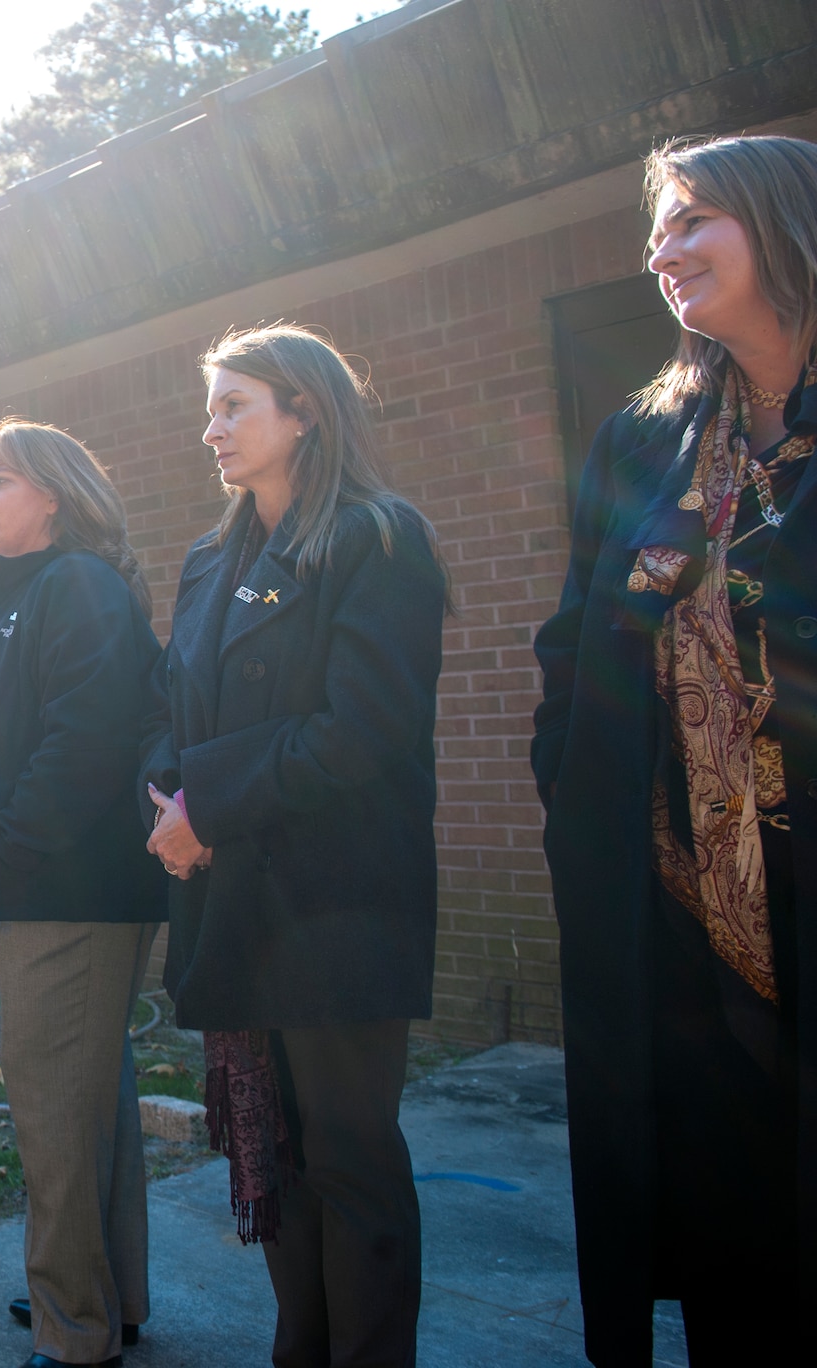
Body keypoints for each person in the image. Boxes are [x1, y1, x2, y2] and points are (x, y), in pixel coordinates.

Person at [531, 134, 817, 1362]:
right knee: (721, 1243)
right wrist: (577, 796)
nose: (663, 250)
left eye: (693, 219)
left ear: (783, 222)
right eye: (656, 229)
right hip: (678, 926)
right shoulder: (643, 442)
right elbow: (573, 641)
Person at [140, 325, 447, 1368]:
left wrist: (206, 807)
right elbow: (173, 704)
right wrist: (167, 792)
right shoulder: (205, 559)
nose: (209, 428)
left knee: (350, 1164)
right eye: (210, 406)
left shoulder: (375, 536)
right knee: (274, 1158)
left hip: (339, 907)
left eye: (234, 405)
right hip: (235, 906)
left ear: (303, 410)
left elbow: (362, 730)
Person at [0, 420, 165, 1368]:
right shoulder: (22, 592)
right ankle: (110, 1301)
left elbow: (86, 739)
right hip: (45, 887)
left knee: (52, 1105)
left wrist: (14, 847)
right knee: (87, 1096)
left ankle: (76, 1337)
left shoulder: (79, 586)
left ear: (55, 494)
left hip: (67, 892)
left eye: (1, 481)